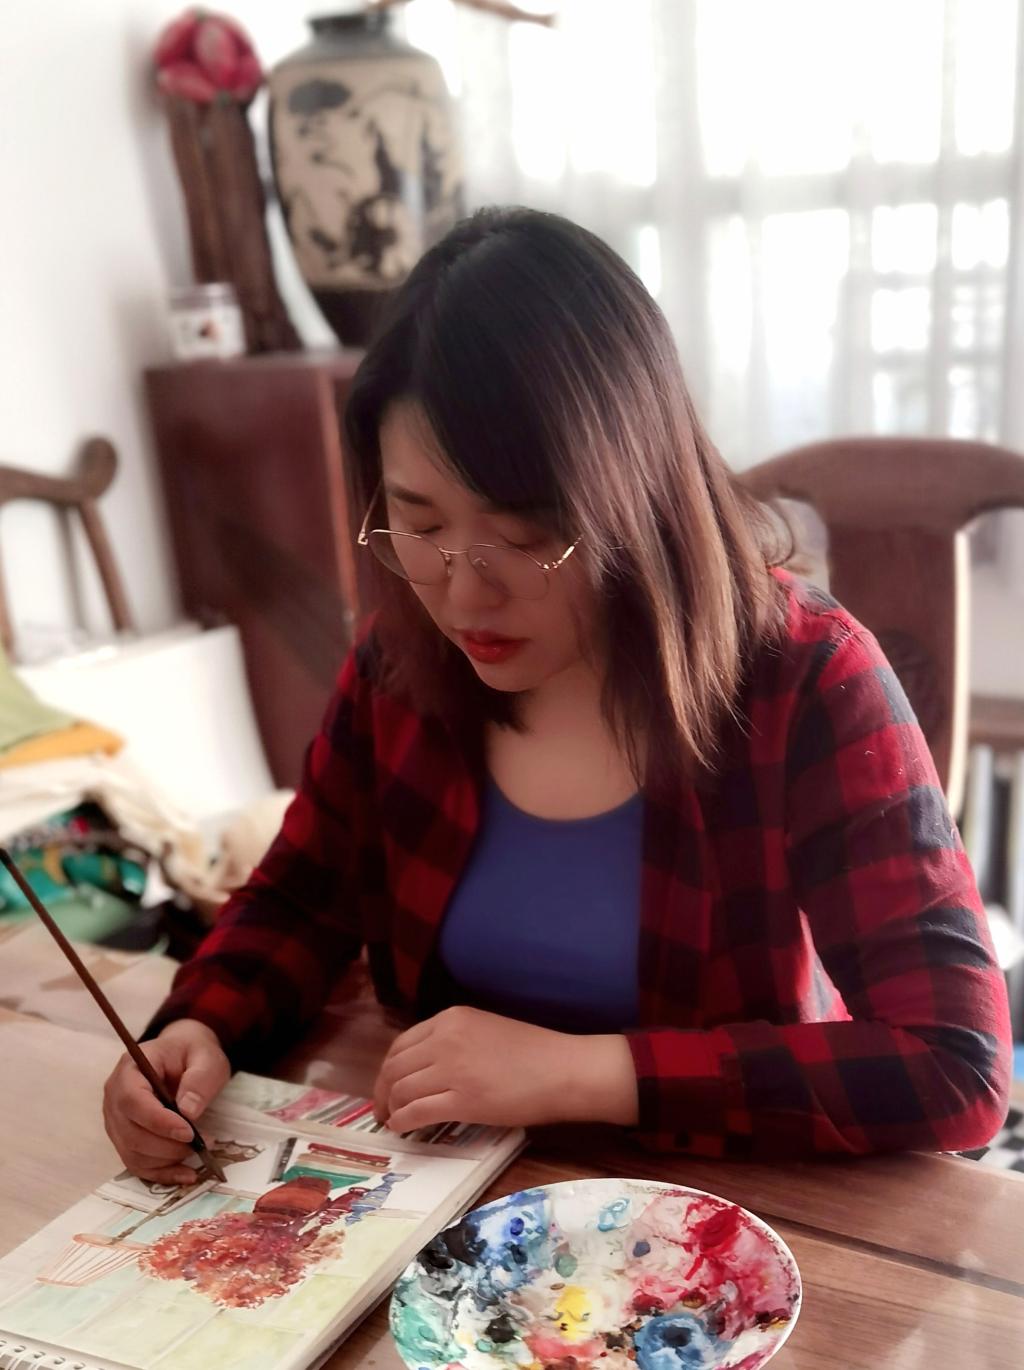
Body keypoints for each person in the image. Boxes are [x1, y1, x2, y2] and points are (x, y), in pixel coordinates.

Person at [103, 207, 1011, 1184]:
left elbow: (954, 1068)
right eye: (420, 525)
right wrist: (199, 1022)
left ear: (639, 497)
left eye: (528, 535)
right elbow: (302, 894)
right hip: (441, 1183)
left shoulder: (806, 677)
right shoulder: (399, 664)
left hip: (721, 1199)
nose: (464, 595)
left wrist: (582, 1073)